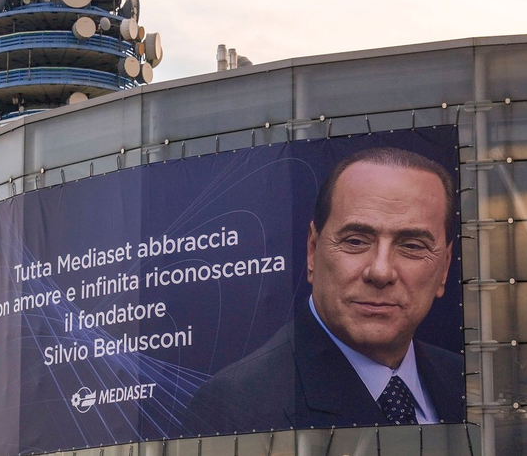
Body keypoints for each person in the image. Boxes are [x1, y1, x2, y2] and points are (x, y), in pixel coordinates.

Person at [185, 147, 464, 434]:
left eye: (412, 246)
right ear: (312, 251)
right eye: (356, 241)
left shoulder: (464, 381)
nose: (381, 271)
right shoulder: (237, 406)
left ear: (443, 268)